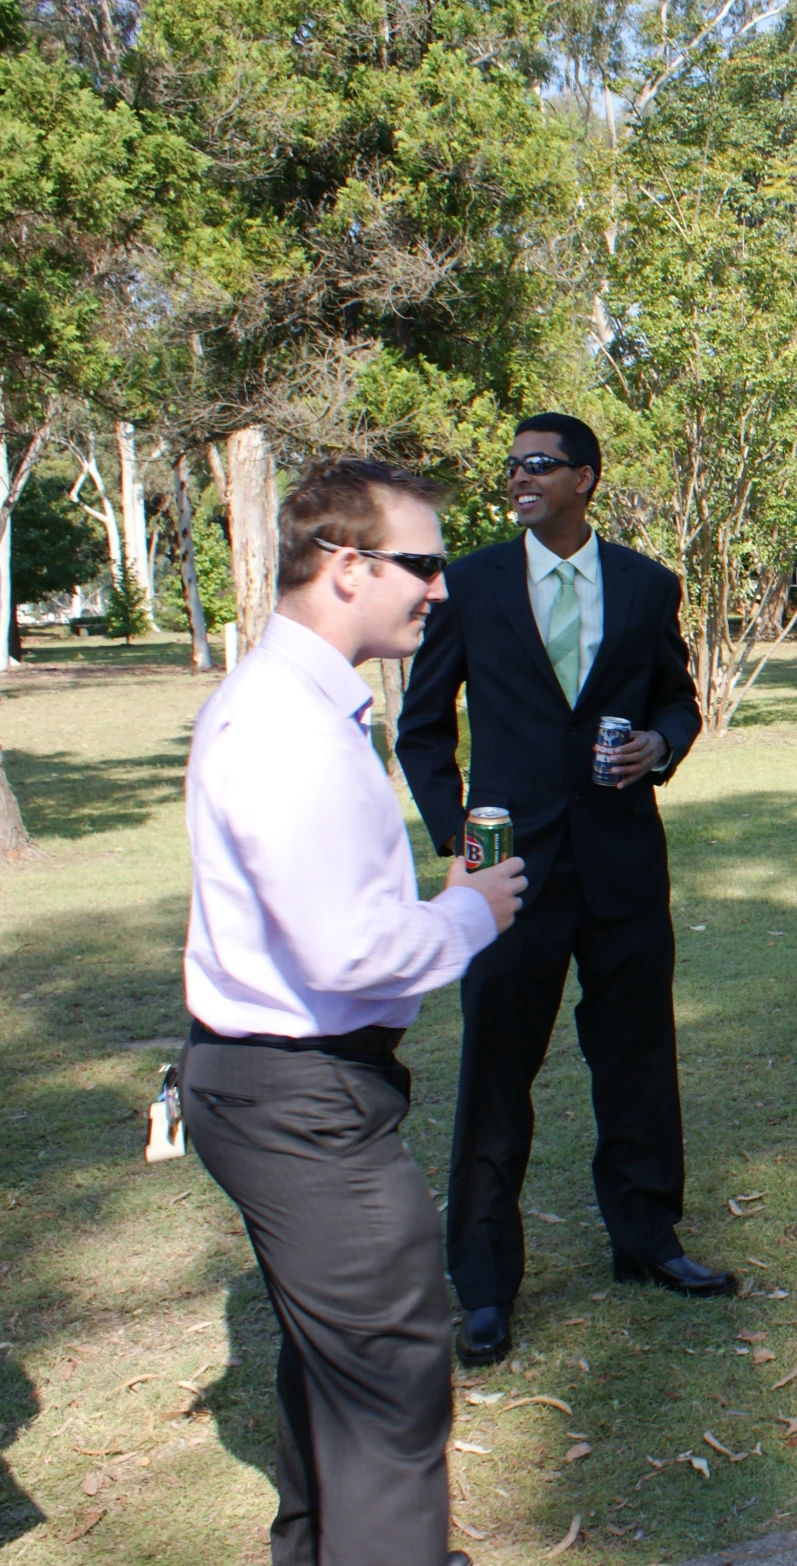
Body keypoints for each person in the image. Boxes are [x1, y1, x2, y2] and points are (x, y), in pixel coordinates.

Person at [182, 458, 526, 1566]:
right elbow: (350, 949)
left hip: (284, 1087)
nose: (439, 588)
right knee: (391, 1375)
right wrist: (469, 913)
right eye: (421, 564)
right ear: (344, 568)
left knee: (334, 1365)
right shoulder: (287, 728)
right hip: (302, 1096)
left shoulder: (299, 706)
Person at [397, 412, 726, 1372]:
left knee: (636, 1061)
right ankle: (487, 1285)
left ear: (586, 477)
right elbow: (424, 729)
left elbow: (677, 697)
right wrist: (458, 835)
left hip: (621, 864)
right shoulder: (475, 585)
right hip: (508, 877)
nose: (518, 477)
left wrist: (661, 745)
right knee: (497, 1074)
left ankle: (648, 1241)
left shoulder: (644, 585)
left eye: (539, 464)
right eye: (511, 466)